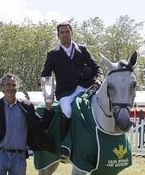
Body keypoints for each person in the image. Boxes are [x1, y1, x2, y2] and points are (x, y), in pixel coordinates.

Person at [0, 73, 55, 175]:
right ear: (2, 88)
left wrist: (48, 106)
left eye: (14, 85)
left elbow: (41, 126)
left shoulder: (26, 106)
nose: (11, 87)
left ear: (17, 87)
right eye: (8, 85)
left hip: (19, 158)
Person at [41, 22, 103, 159]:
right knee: (68, 111)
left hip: (87, 87)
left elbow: (96, 67)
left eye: (67, 31)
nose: (65, 34)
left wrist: (99, 79)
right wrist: (47, 93)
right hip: (66, 92)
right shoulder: (52, 54)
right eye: (62, 32)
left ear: (72, 33)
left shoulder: (82, 49)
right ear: (58, 35)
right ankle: (65, 145)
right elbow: (46, 75)